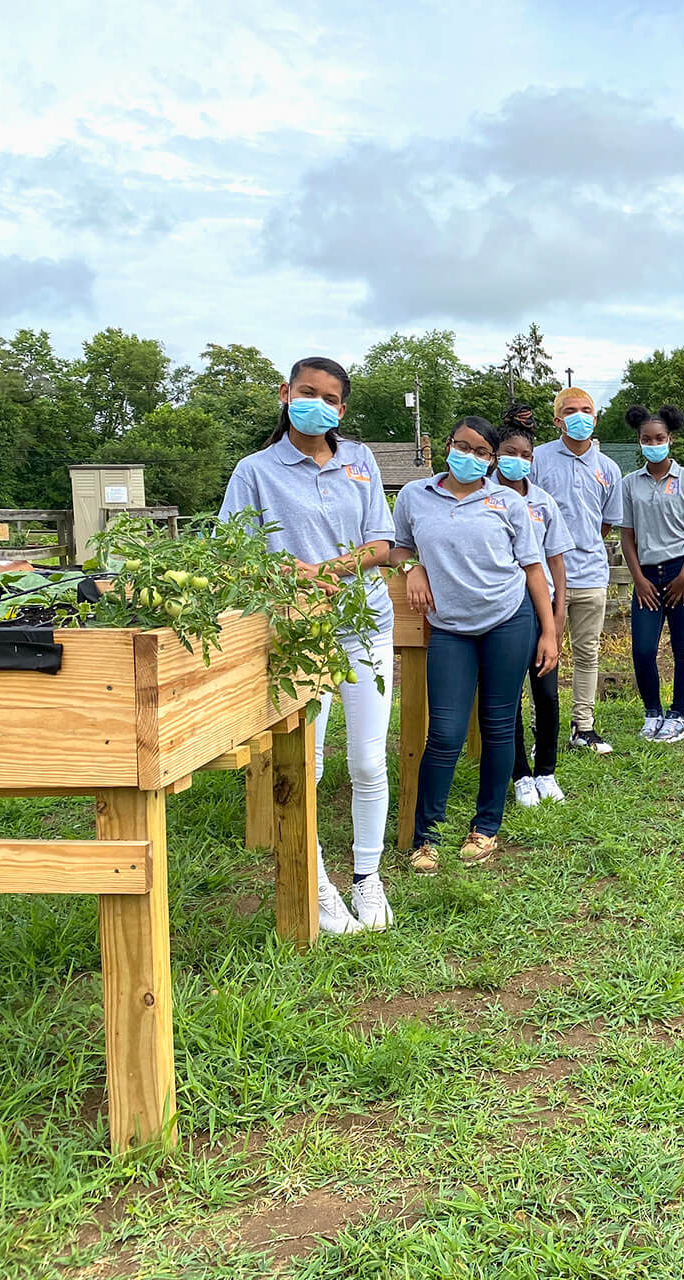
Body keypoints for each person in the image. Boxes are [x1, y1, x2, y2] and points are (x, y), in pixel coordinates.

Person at [218, 355, 396, 935]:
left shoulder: (361, 461)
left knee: (368, 761)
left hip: (365, 621)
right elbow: (236, 552)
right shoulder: (255, 471)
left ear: (342, 409)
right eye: (307, 392)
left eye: (331, 398)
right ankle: (317, 883)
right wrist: (292, 571)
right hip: (296, 633)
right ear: (285, 394)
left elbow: (382, 542)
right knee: (306, 765)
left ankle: (367, 878)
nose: (318, 404)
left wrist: (331, 566)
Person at [391, 418, 559, 874]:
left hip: (509, 619)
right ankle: (426, 836)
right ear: (447, 446)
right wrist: (414, 571)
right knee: (444, 731)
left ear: (490, 459)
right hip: (449, 628)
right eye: (461, 446)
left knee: (498, 723)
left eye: (480, 451)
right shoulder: (414, 497)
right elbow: (399, 547)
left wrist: (549, 631)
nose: (469, 456)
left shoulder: (506, 501)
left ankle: (486, 826)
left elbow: (532, 569)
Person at [528, 386, 622, 755]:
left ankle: (584, 726)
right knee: (544, 654)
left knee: (588, 652)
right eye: (570, 410)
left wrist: (581, 543)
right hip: (545, 580)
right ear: (557, 420)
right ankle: (542, 729)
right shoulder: (536, 460)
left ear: (595, 418)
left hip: (592, 573)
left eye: (586, 410)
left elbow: (607, 523)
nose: (579, 416)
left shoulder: (608, 468)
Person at [617, 404, 684, 744]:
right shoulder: (630, 483)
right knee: (643, 649)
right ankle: (652, 711)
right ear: (639, 442)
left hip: (681, 571)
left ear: (670, 439)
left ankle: (677, 715)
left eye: (659, 437)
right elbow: (626, 535)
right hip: (646, 576)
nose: (653, 443)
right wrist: (638, 579)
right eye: (647, 438)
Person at [494, 404, 574, 807]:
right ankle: (520, 774)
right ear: (494, 454)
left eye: (526, 456)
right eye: (510, 453)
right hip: (502, 610)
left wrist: (558, 614)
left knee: (546, 693)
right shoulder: (482, 499)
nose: (519, 462)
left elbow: (556, 560)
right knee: (508, 696)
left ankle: (546, 771)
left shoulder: (543, 502)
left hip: (542, 607)